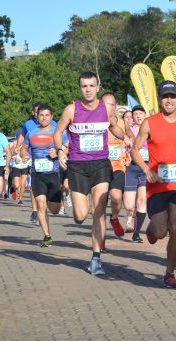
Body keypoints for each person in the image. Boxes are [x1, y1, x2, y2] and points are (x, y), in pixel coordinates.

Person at [54, 71, 126, 275]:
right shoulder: (71, 109)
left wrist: (125, 136)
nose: (88, 89)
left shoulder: (106, 109)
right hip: (77, 166)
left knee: (99, 210)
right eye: (84, 86)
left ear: (97, 87)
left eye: (91, 86)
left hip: (101, 165)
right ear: (80, 88)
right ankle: (72, 199)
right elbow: (58, 132)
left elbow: (114, 128)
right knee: (80, 215)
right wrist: (60, 150)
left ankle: (96, 259)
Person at [130, 81, 176, 288]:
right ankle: (152, 229)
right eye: (165, 96)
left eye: (172, 96)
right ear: (159, 99)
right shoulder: (149, 123)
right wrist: (147, 170)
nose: (169, 100)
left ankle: (169, 272)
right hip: (157, 186)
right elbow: (135, 150)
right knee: (160, 232)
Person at [21, 104, 66, 247]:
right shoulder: (31, 133)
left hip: (54, 174)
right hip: (37, 174)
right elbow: (24, 148)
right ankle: (47, 236)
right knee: (40, 205)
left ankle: (59, 197)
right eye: (41, 115)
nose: (44, 118)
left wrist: (59, 151)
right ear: (37, 116)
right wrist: (24, 155)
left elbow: (69, 147)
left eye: (47, 115)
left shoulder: (57, 132)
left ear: (51, 117)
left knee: (54, 210)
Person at [102, 93, 128, 238]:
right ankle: (100, 239)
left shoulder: (122, 122)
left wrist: (131, 146)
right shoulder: (96, 121)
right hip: (99, 167)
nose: (109, 107)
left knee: (116, 197)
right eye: (106, 104)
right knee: (99, 207)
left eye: (112, 104)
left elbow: (130, 136)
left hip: (118, 166)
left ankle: (114, 218)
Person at [123, 105, 148, 243]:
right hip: (132, 168)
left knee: (142, 201)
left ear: (145, 116)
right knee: (128, 205)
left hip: (145, 168)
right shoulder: (129, 131)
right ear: (132, 117)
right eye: (136, 114)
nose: (138, 116)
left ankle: (137, 233)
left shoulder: (150, 131)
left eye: (140, 113)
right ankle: (129, 219)